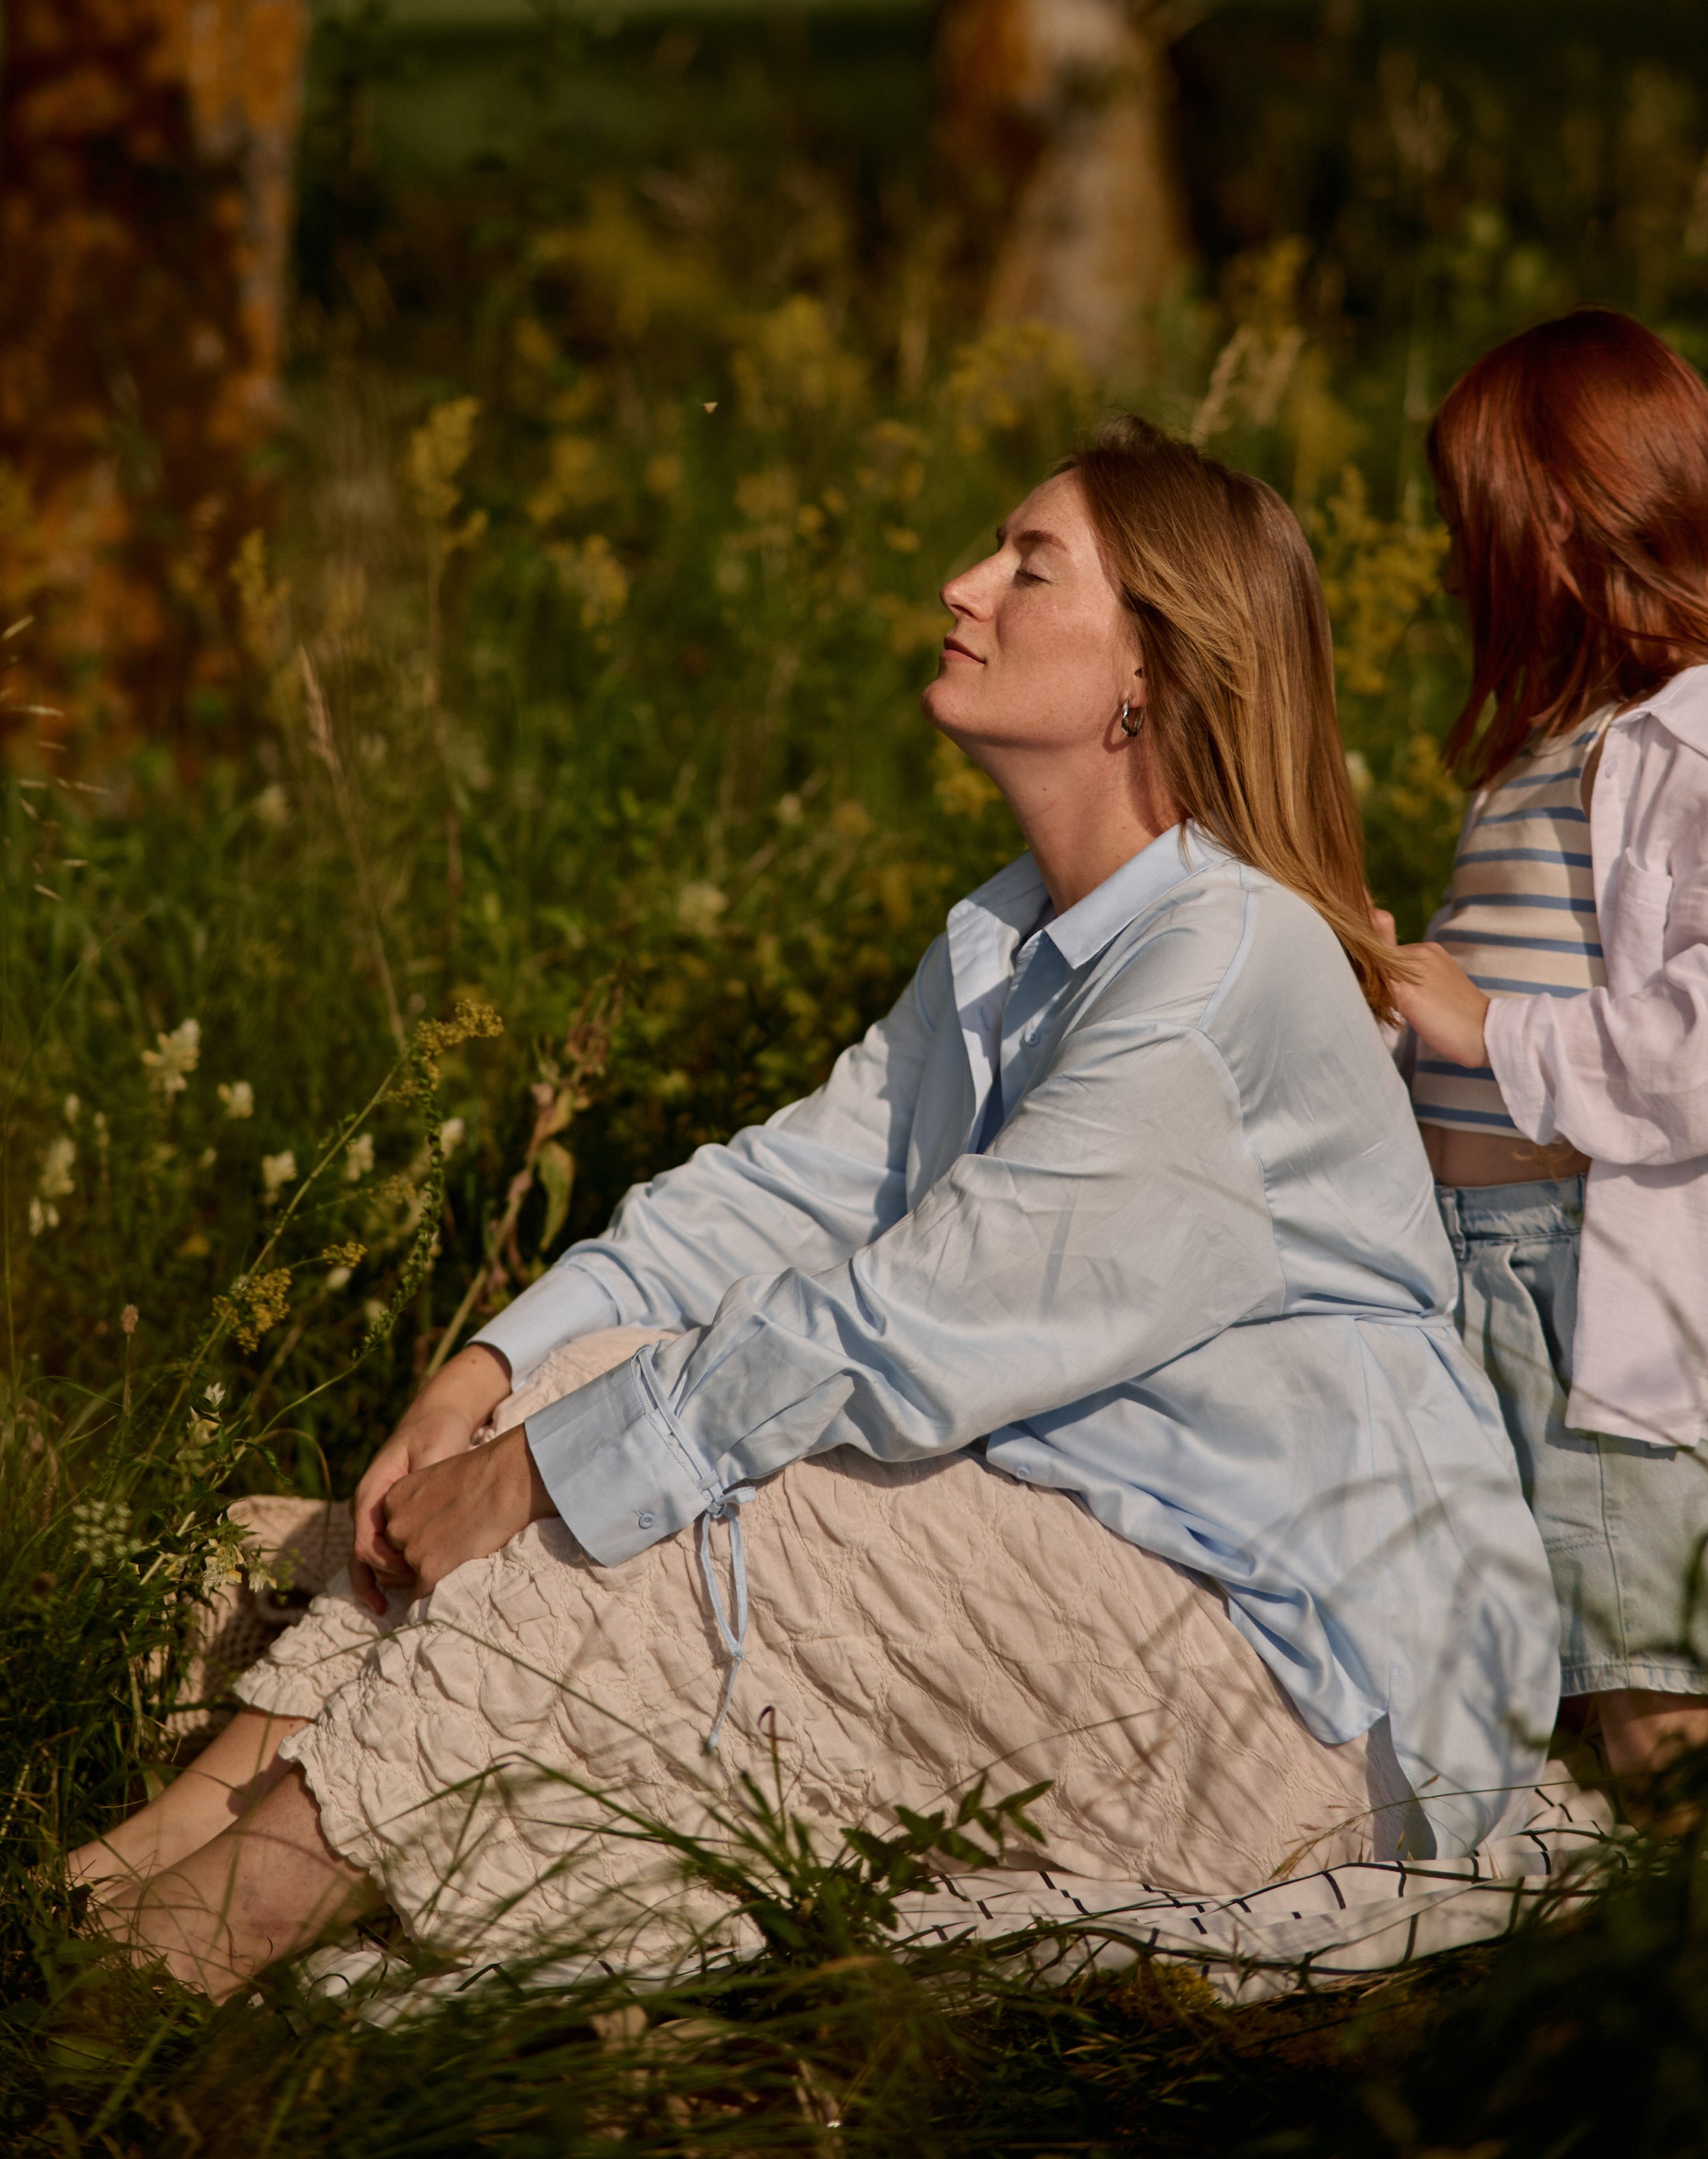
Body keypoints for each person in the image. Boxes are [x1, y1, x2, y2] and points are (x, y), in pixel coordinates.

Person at [72, 416, 1557, 1998]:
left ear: (1148, 669)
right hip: (1089, 1558)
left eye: (1027, 564)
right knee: (582, 1420)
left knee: (637, 1520)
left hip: (1286, 1680)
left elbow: (918, 1316)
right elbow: (780, 1192)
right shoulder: (1008, 940)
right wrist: (491, 1373)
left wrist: (535, 1474)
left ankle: (181, 1954)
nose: (960, 583)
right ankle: (132, 1867)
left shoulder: (1223, 970)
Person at [1389, 311, 1708, 1780]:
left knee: (1652, 1680)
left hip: (1591, 1282)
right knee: (1530, 1656)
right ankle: (1575, 1948)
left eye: (1468, 524)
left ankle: (1702, 1963)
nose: (1448, 563)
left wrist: (1482, 1027)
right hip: (1466, 1263)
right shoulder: (1540, 754)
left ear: (1562, 519)